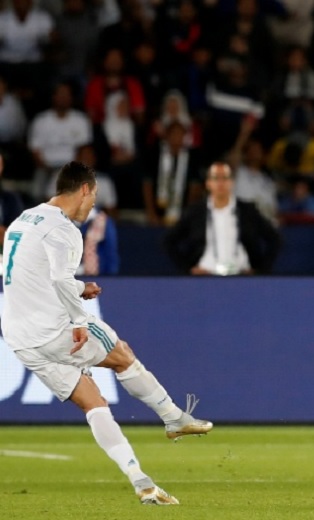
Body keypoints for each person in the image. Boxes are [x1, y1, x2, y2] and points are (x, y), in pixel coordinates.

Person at [1, 161, 213, 505]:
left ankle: (142, 482)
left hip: (21, 338)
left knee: (94, 403)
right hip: (54, 328)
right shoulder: (64, 228)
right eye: (94, 196)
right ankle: (173, 418)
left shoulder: (23, 220)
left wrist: (79, 287)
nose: (93, 205)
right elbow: (56, 279)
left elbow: (24, 270)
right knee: (123, 355)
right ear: (83, 189)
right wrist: (80, 320)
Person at [163, 162, 281, 276]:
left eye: (225, 178)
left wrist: (260, 271)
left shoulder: (247, 211)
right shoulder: (195, 212)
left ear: (232, 182)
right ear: (208, 183)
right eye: (215, 178)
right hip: (204, 278)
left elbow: (275, 239)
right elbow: (169, 241)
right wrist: (188, 269)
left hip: (241, 277)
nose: (220, 183)